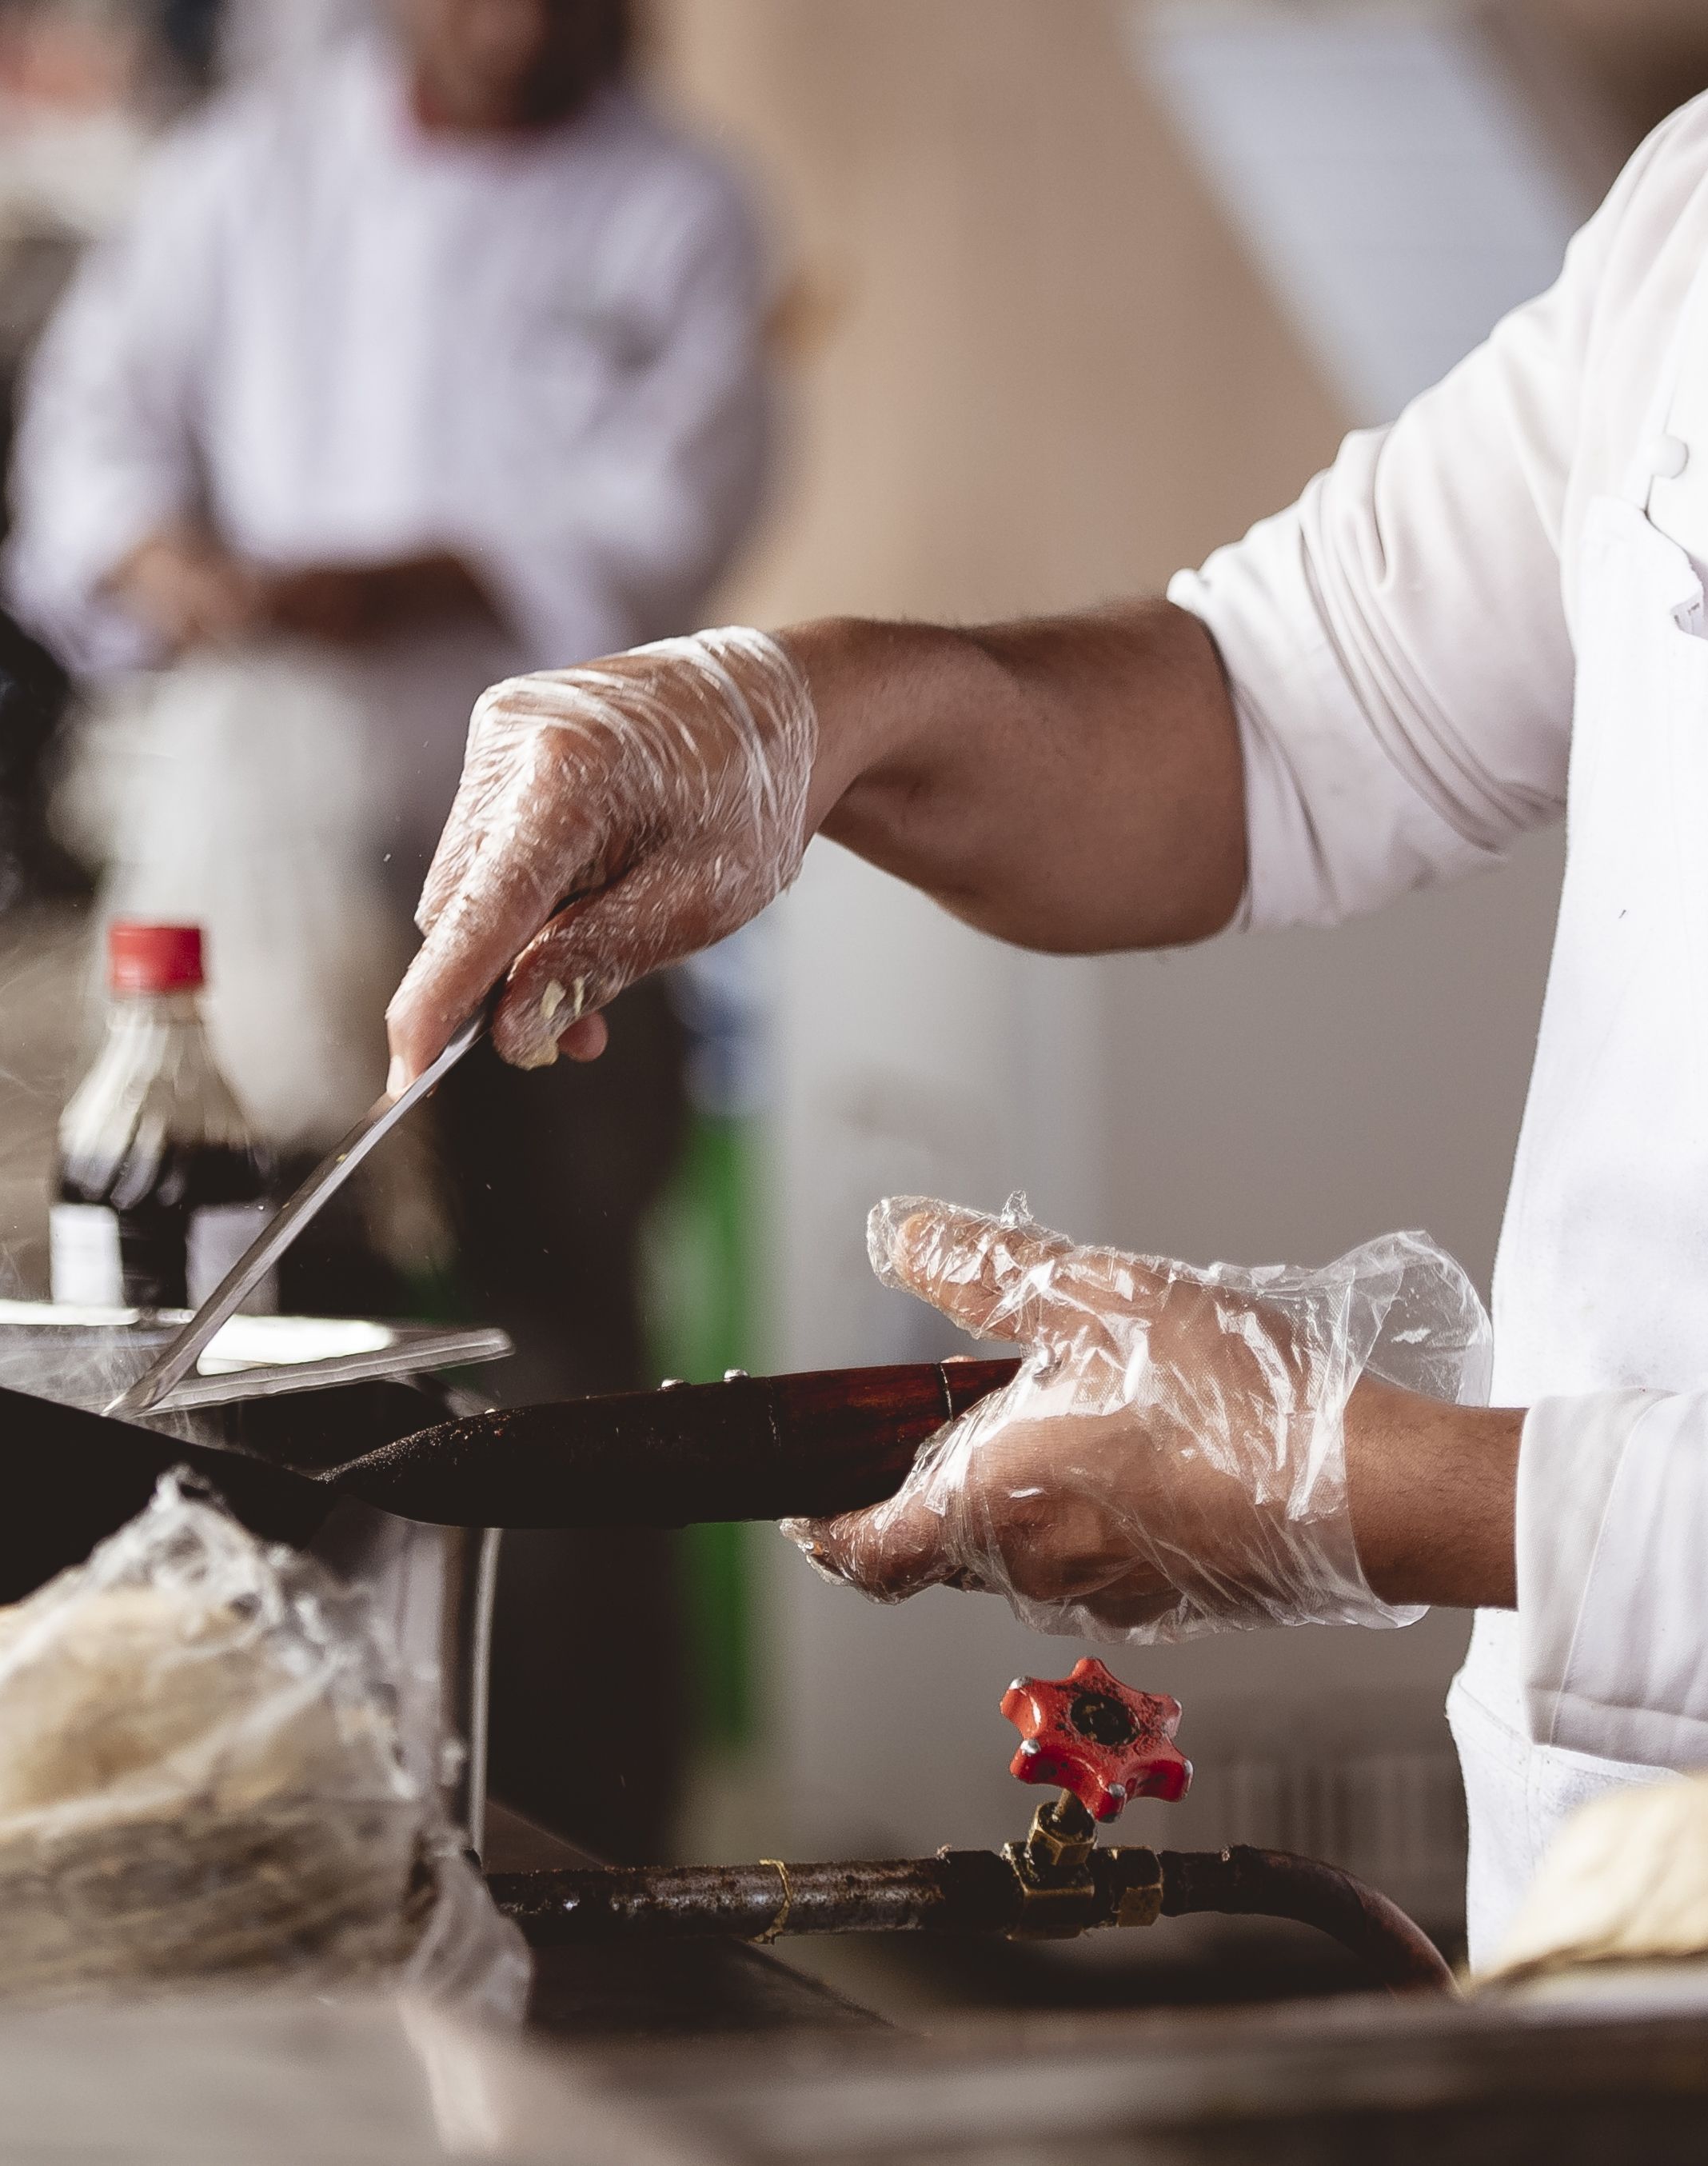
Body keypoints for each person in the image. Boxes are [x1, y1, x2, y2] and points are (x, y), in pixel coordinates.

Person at [385, 93, 1708, 1958]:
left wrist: (1367, 1489)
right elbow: (1273, 711)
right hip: (1600, 1862)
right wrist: (811, 709)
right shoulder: (1692, 211)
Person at [3, 0, 772, 1861]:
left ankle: (597, 1854)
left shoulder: (676, 209)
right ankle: (291, 1831)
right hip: (277, 882)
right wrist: (173, 566)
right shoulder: (249, 172)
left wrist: (402, 579)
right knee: (271, 1349)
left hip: (579, 869)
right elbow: (84, 438)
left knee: (567, 1354)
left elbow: (670, 511)